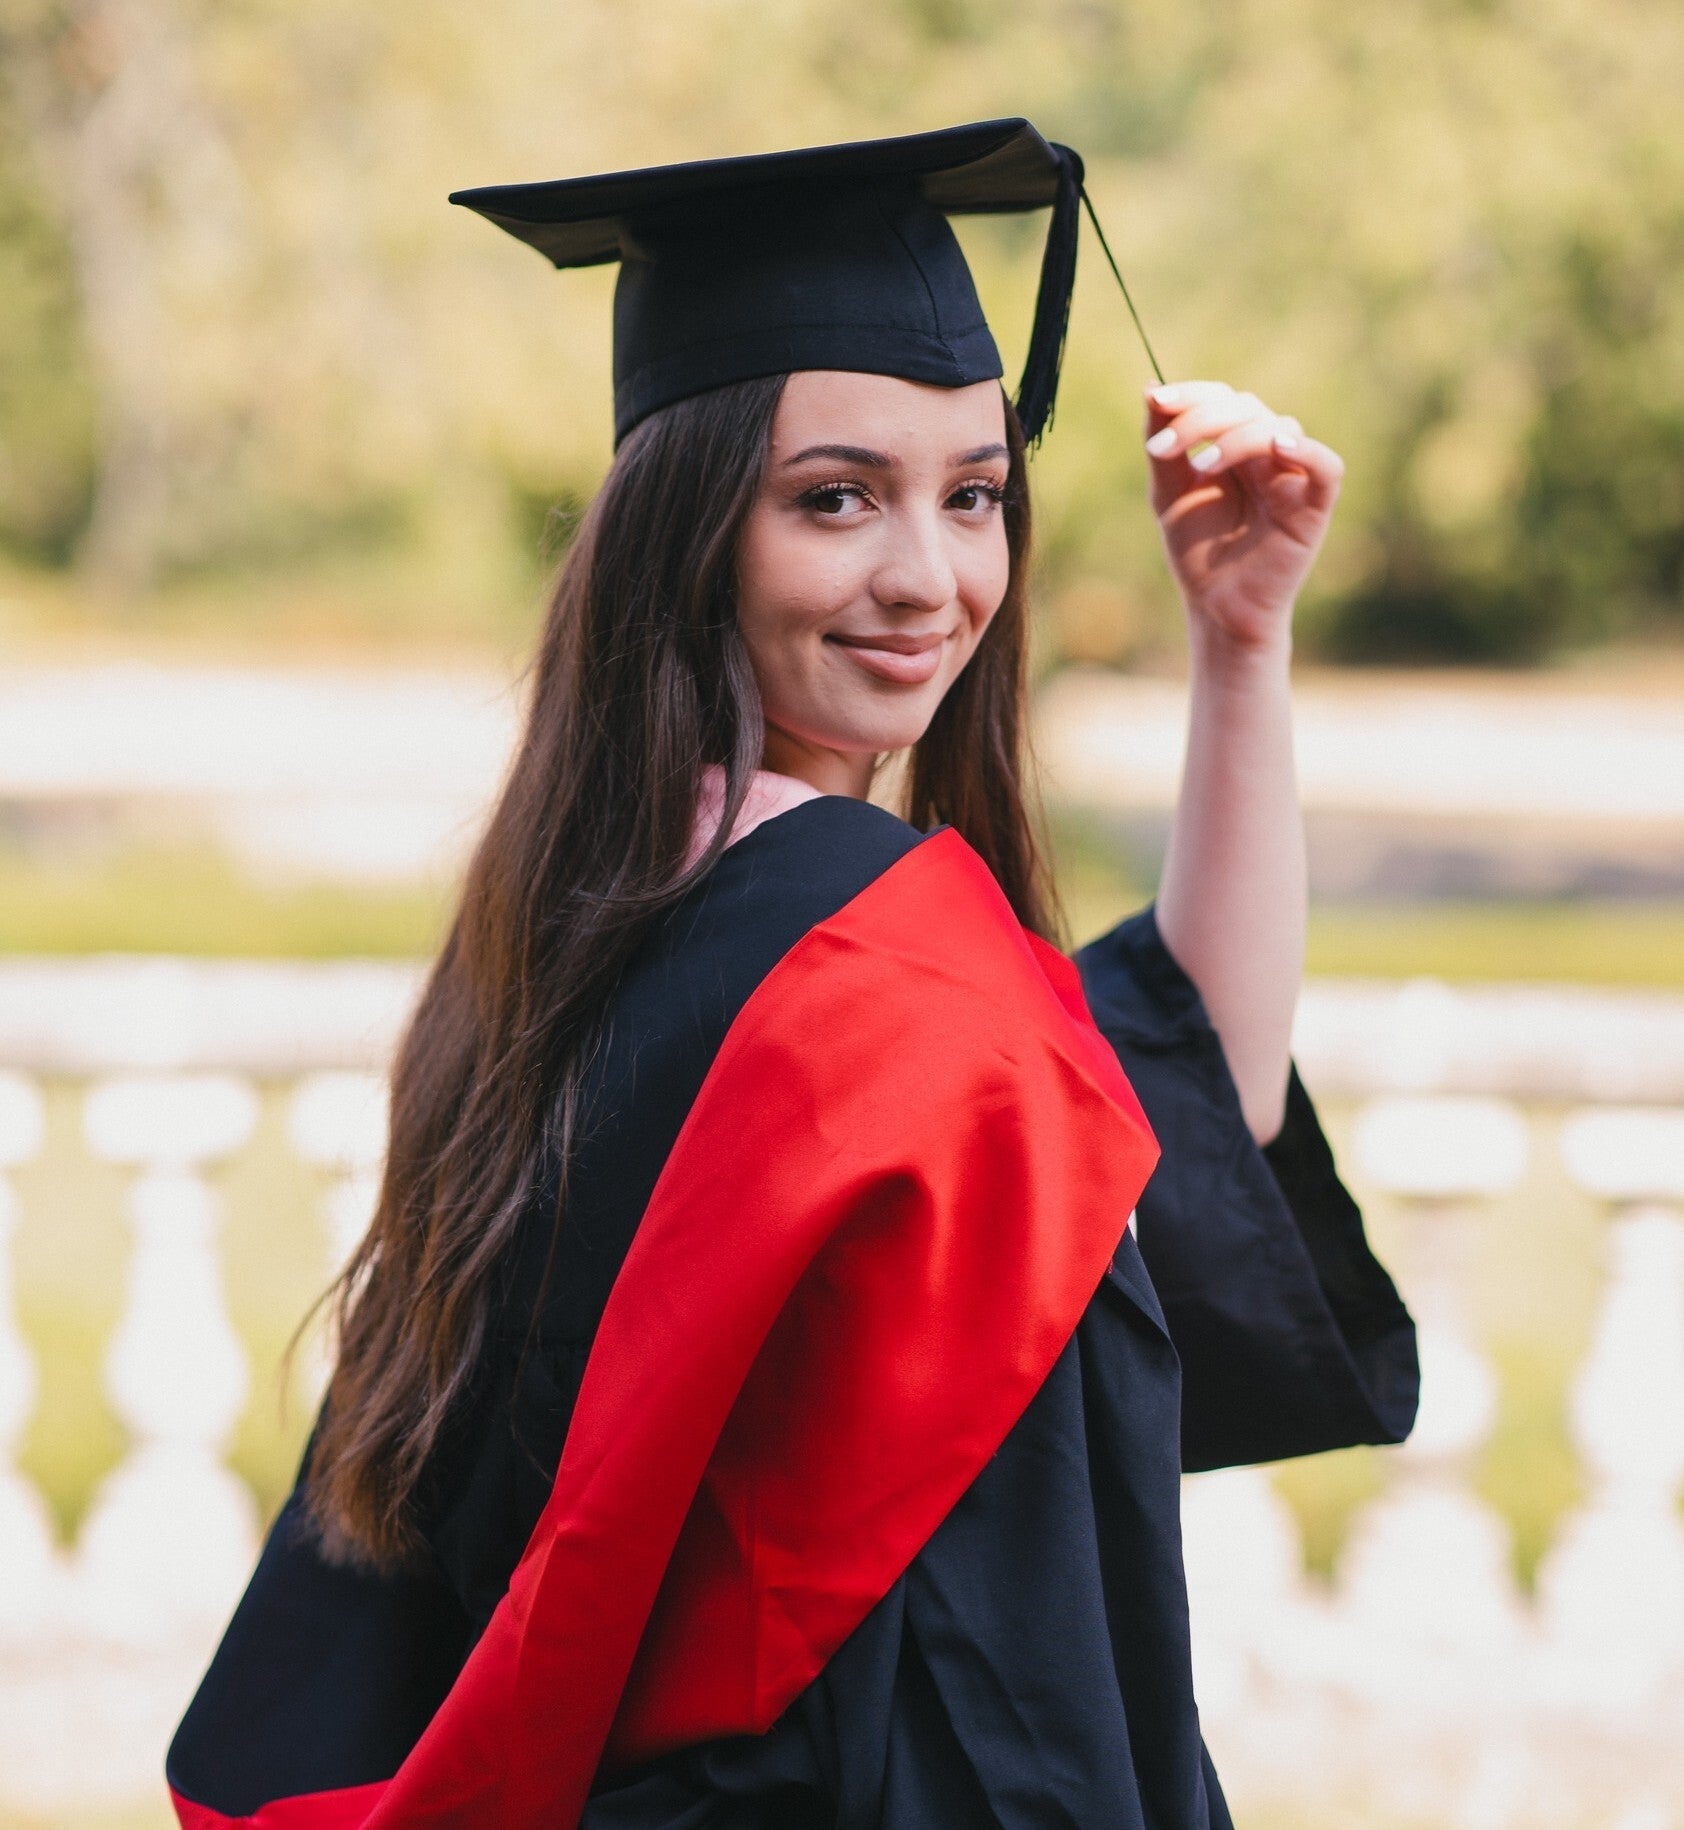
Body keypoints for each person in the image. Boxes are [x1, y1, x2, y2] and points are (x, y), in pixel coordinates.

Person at [166, 119, 1417, 1830]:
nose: (929, 575)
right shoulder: (876, 970)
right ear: (692, 531)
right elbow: (1027, 1662)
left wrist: (1237, 640)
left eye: (974, 493)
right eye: (836, 497)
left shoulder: (575, 933)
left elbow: (1177, 1097)